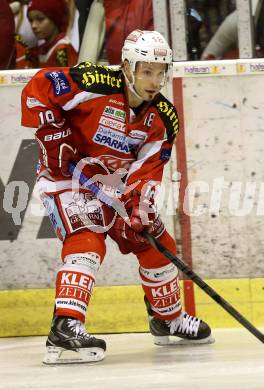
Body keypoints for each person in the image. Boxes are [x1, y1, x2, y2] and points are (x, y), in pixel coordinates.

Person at [21, 29, 213, 365]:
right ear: (127, 66)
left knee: (154, 239)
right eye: (146, 70)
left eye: (160, 71)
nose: (154, 80)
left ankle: (167, 320)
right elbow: (39, 86)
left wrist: (139, 206)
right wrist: (54, 133)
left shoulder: (164, 119)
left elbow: (149, 170)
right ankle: (65, 327)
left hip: (111, 184)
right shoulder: (94, 82)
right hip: (66, 178)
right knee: (87, 239)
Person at [27, 0, 78, 67]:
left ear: (55, 19)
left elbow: (67, 76)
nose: (33, 26)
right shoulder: (42, 50)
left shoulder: (62, 49)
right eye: (31, 20)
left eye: (40, 19)